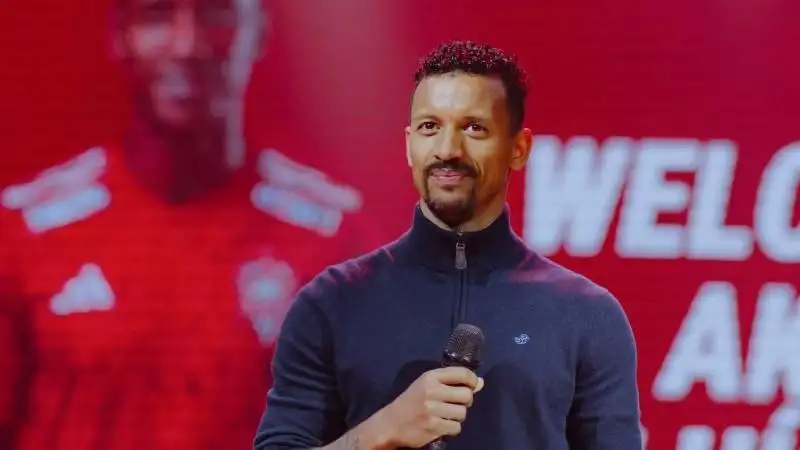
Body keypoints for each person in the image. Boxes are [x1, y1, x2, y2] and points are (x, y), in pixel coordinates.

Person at [0, 0, 379, 449]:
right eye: (158, 15)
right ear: (120, 37)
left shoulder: (333, 239)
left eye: (216, 13)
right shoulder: (26, 233)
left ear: (257, 34)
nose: (187, 44)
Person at [254, 40, 642, 450]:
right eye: (430, 127)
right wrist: (381, 432)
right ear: (409, 145)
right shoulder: (330, 303)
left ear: (518, 149)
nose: (447, 150)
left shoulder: (586, 315)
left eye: (474, 128)